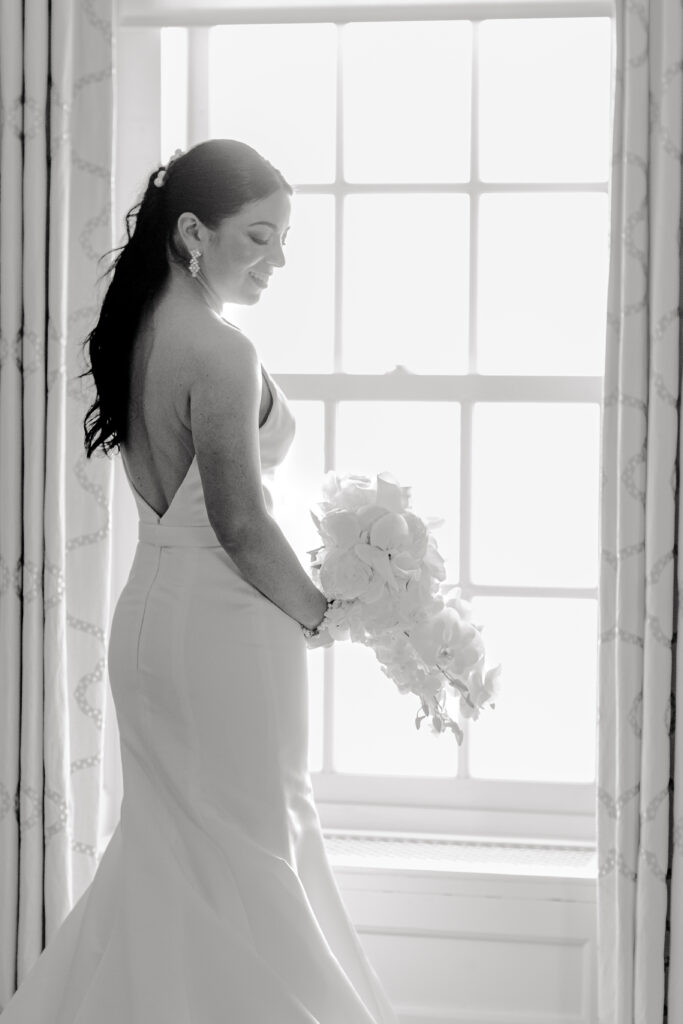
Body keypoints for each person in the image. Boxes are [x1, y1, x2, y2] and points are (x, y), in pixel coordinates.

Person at [0, 139, 398, 1023]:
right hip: (223, 630)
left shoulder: (137, 329)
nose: (277, 261)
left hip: (150, 622)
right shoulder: (219, 349)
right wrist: (322, 615)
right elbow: (239, 522)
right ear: (192, 233)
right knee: (256, 847)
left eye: (284, 240)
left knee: (177, 853)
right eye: (259, 237)